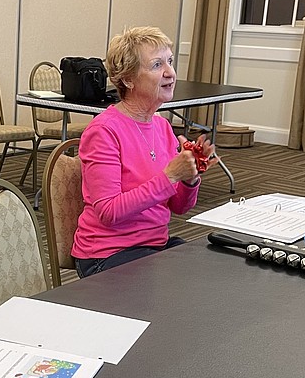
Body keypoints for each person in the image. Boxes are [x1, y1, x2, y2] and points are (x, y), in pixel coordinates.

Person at [71, 26, 216, 277]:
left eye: (170, 62)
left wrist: (190, 178)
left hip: (153, 245)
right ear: (128, 79)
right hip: (108, 254)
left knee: (207, 272)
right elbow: (109, 212)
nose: (170, 73)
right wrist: (170, 175)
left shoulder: (162, 126)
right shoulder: (104, 131)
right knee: (178, 287)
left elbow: (179, 207)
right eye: (157, 65)